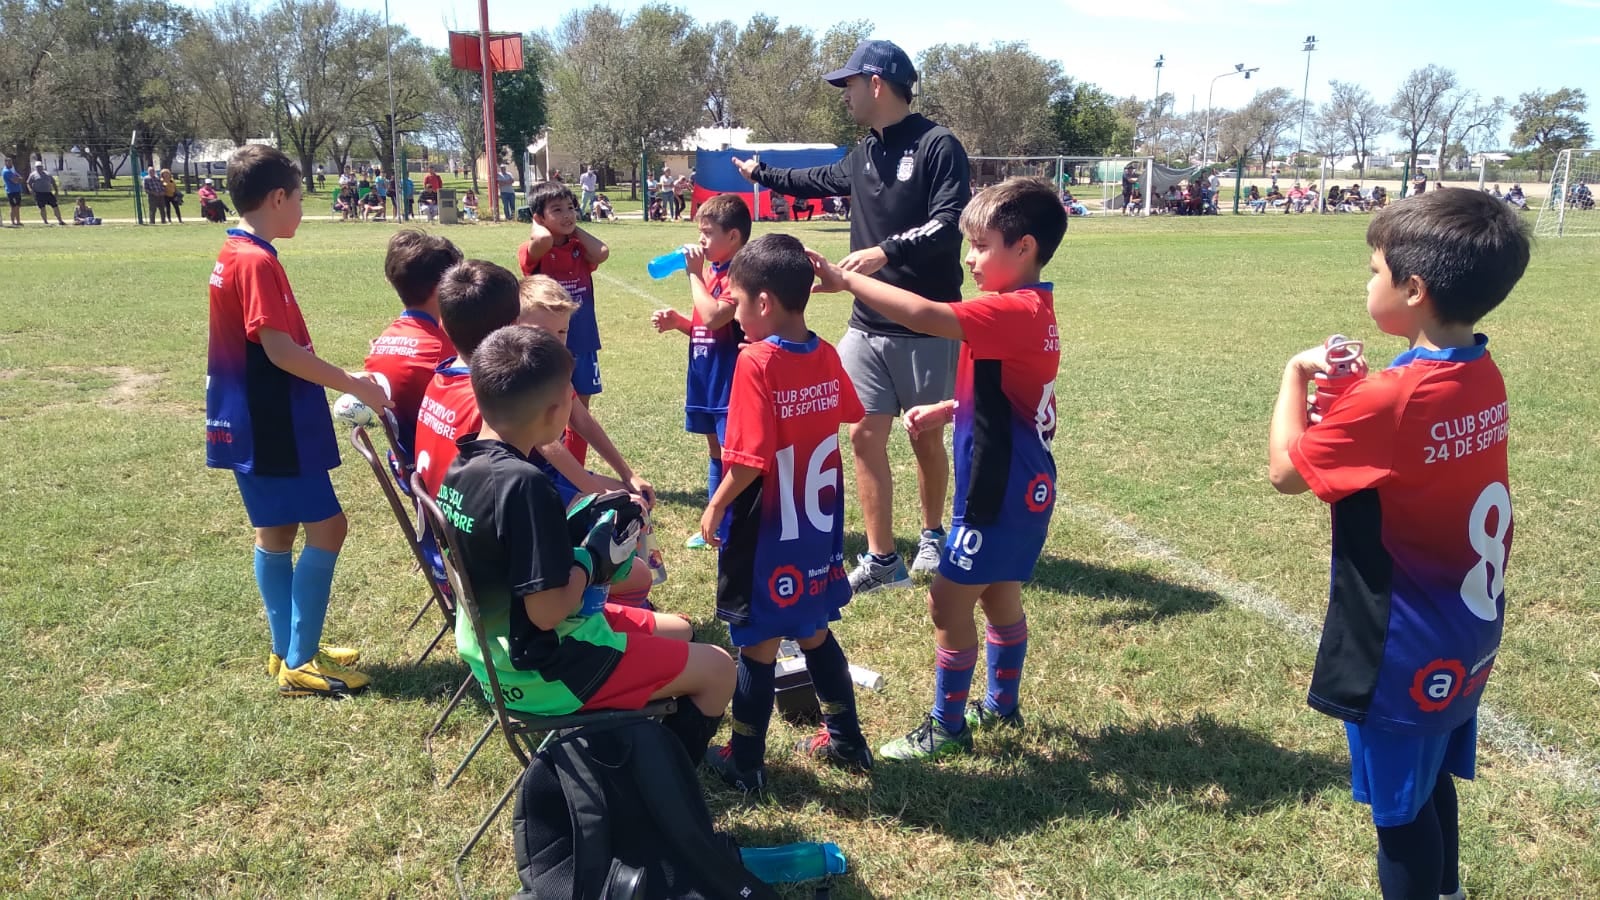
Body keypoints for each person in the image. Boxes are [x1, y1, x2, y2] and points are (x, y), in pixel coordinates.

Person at [1266, 189, 1529, 900]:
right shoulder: (1479, 368)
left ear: (1413, 289)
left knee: (1400, 817)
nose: (1367, 283)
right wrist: (1359, 397)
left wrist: (1296, 376)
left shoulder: (1394, 398)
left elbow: (1286, 472)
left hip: (1401, 646)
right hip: (1465, 632)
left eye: (1374, 270)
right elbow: (1405, 443)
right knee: (1429, 781)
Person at [809, 177, 1065, 762]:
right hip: (1022, 483)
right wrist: (953, 406)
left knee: (947, 601)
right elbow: (1019, 390)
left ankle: (947, 726)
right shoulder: (1032, 307)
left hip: (998, 488)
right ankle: (1002, 704)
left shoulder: (1012, 308)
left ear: (1023, 248)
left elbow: (925, 315)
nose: (969, 259)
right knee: (999, 594)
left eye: (980, 246)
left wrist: (848, 278)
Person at [732, 38, 971, 592]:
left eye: (850, 85)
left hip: (926, 322)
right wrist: (761, 171)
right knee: (864, 437)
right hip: (866, 326)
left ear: (878, 84)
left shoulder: (938, 145)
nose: (845, 95)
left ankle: (933, 537)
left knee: (924, 439)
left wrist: (887, 250)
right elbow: (816, 179)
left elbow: (948, 221)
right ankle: (883, 559)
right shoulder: (863, 152)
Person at [436, 323, 733, 760]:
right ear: (556, 410)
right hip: (544, 671)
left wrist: (576, 526)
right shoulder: (526, 486)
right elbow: (547, 612)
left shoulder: (462, 464)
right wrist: (595, 557)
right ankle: (665, 771)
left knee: (683, 630)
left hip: (491, 656)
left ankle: (643, 738)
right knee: (720, 669)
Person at [204, 144, 393, 698]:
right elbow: (280, 351)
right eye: (300, 197)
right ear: (277, 197)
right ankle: (302, 661)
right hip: (272, 424)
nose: (303, 209)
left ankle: (287, 646)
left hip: (248, 422)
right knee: (330, 528)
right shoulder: (256, 261)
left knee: (276, 532)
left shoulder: (235, 251)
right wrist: (355, 384)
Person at [697, 234, 873, 792]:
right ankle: (848, 740)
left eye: (738, 302)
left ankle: (745, 761)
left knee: (756, 644)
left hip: (767, 528)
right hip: (816, 530)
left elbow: (747, 461)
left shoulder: (756, 360)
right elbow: (850, 408)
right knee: (815, 629)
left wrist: (716, 504)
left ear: (765, 302)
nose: (736, 316)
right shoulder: (823, 352)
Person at [648, 193, 751, 550]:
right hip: (705, 376)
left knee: (733, 453)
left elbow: (715, 315)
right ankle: (716, 526)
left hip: (729, 379)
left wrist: (694, 276)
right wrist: (679, 322)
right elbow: (705, 326)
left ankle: (735, 524)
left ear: (733, 237)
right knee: (715, 451)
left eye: (708, 233)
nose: (701, 241)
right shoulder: (713, 270)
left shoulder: (740, 273)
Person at [518, 181, 610, 465]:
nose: (567, 214)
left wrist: (572, 227)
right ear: (539, 218)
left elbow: (603, 251)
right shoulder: (535, 248)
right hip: (548, 343)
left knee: (580, 408)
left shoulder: (579, 248)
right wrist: (539, 226)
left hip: (581, 339)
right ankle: (546, 465)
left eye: (571, 208)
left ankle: (576, 469)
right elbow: (543, 241)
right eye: (556, 210)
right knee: (548, 408)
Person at [364, 230, 463, 462]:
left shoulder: (384, 340)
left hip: (406, 460)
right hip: (441, 468)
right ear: (442, 288)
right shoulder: (442, 352)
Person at [3, 157, 23, 227]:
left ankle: (18, 221)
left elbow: (20, 178)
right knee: (13, 207)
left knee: (17, 206)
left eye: (11, 162)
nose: (11, 163)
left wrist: (18, 179)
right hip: (11, 191)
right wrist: (18, 179)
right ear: (5, 163)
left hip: (17, 190)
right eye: (9, 162)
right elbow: (15, 181)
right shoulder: (6, 171)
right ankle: (13, 222)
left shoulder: (12, 170)